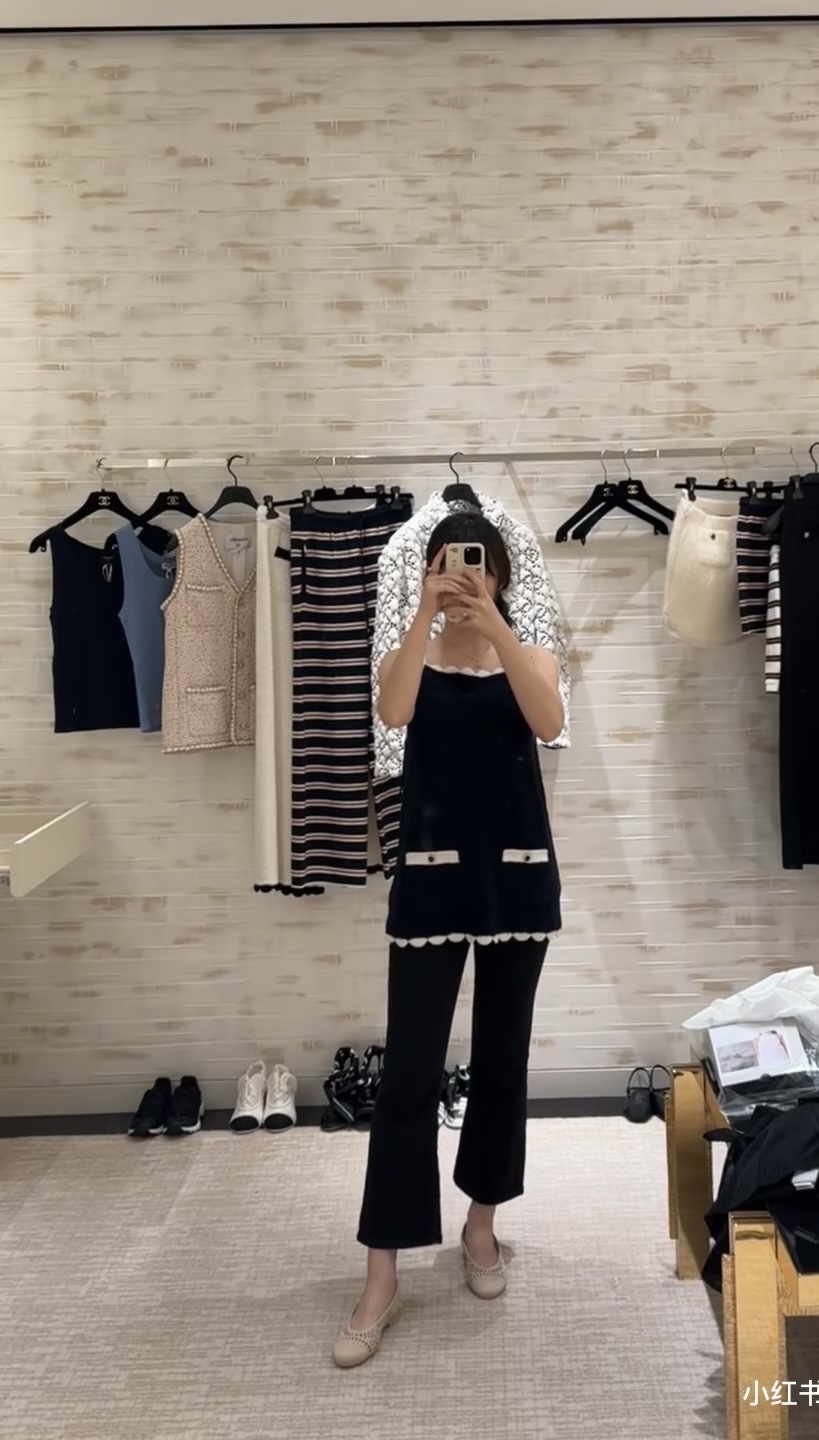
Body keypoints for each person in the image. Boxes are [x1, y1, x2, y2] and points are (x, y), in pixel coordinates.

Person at [333, 511, 564, 1370]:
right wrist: (423, 616)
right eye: (446, 564)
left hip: (519, 877)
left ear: (500, 575)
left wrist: (495, 626)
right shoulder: (410, 655)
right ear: (427, 571)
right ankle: (380, 1277)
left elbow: (548, 721)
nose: (462, 576)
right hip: (430, 879)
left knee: (503, 1062)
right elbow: (392, 711)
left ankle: (480, 1227)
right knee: (408, 1077)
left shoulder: (529, 654)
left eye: (476, 567)